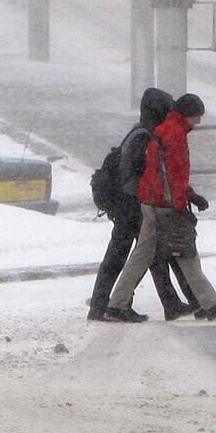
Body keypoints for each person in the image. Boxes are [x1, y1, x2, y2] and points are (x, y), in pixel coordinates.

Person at [105, 93, 216, 322]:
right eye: (198, 116)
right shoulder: (174, 134)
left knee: (144, 255)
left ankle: (117, 305)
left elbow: (166, 172)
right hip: (162, 203)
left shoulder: (167, 130)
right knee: (185, 251)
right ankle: (209, 304)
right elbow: (170, 175)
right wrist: (179, 204)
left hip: (152, 199)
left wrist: (189, 195)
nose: (199, 121)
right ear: (187, 114)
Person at [87, 88, 198, 322]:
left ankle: (167, 303)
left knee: (148, 253)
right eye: (166, 109)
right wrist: (151, 199)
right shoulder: (145, 136)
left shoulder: (140, 132)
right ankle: (112, 306)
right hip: (132, 203)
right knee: (140, 255)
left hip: (127, 202)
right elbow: (144, 173)